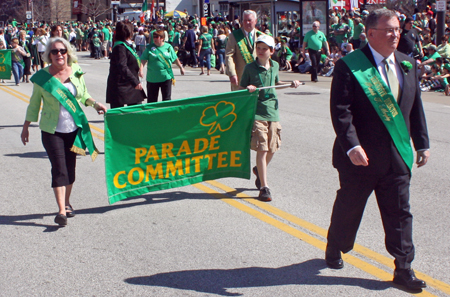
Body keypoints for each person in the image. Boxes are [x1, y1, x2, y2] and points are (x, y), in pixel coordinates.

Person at [326, 9, 430, 290]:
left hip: (396, 156)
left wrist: (422, 143)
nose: (395, 34)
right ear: (370, 34)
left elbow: (414, 107)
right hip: (360, 158)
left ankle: (403, 267)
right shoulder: (350, 65)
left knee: (400, 213)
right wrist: (352, 146)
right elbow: (341, 111)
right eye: (388, 30)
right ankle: (336, 244)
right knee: (349, 208)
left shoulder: (408, 64)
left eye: (397, 29)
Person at [20, 37, 107, 226]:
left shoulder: (75, 70)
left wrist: (95, 104)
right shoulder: (42, 77)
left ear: (67, 52)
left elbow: (83, 95)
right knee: (59, 168)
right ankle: (61, 211)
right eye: (55, 52)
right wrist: (26, 126)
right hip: (51, 130)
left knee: (71, 170)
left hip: (74, 129)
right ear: (49, 56)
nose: (59, 54)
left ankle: (67, 202)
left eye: (62, 51)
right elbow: (35, 103)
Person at [239, 35, 301, 202]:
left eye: (264, 49)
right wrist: (249, 88)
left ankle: (259, 171)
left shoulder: (274, 65)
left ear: (271, 51)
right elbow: (242, 86)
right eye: (258, 48)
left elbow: (276, 82)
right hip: (257, 111)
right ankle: (265, 187)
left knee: (272, 148)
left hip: (272, 111)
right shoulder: (250, 68)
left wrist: (290, 83)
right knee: (263, 148)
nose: (260, 51)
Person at [106, 21, 146, 109]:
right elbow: (122, 66)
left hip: (131, 84)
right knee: (118, 116)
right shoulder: (120, 47)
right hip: (121, 85)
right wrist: (135, 82)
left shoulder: (127, 45)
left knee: (136, 113)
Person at [140, 30, 185, 103]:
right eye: (154, 37)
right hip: (152, 78)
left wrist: (181, 67)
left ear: (162, 38)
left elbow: (175, 58)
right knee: (152, 101)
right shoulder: (149, 48)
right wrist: (141, 70)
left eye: (157, 37)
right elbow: (143, 59)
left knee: (166, 100)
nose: (155, 38)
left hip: (166, 77)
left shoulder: (168, 47)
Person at [226, 10, 263, 91]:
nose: (247, 23)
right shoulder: (234, 36)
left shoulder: (261, 36)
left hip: (258, 77)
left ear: (255, 21)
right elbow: (229, 56)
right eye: (245, 20)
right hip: (240, 78)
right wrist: (232, 74)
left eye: (249, 20)